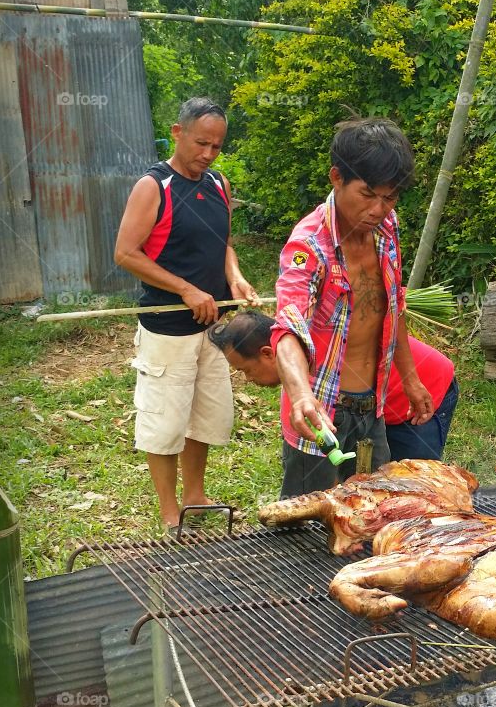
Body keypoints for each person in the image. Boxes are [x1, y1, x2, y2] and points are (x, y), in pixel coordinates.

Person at [114, 97, 258, 530]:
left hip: (214, 326)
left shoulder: (218, 184)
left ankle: (195, 495)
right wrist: (186, 289)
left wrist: (235, 278)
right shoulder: (153, 187)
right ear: (177, 132)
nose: (208, 154)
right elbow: (125, 253)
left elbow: (224, 244)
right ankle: (168, 511)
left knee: (204, 415)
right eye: (201, 143)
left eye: (216, 146)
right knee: (165, 420)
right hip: (167, 327)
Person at [271, 117, 433, 495]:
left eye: (390, 197)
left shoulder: (387, 228)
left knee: (372, 513)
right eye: (368, 194)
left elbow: (392, 307)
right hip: (321, 410)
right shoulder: (308, 246)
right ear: (336, 178)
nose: (379, 209)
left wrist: (409, 378)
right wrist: (300, 394)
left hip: (371, 405)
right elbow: (288, 325)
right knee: (307, 527)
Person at [209, 311, 458, 462]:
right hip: (381, 404)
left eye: (246, 370)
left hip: (426, 390)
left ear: (267, 353)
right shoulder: (296, 376)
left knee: (413, 484)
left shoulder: (316, 359)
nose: (247, 380)